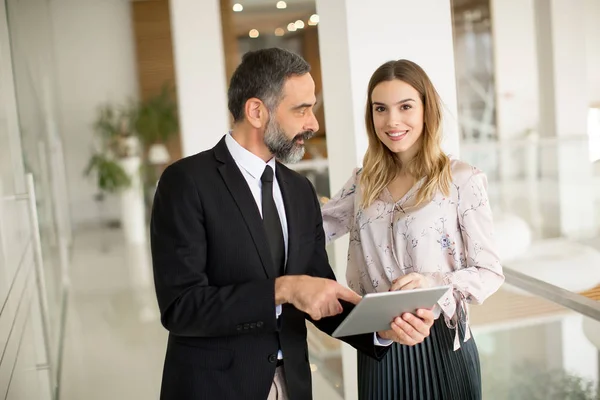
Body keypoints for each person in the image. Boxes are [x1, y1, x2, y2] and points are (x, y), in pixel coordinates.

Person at [150, 48, 435, 400]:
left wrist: (382, 330)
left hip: (293, 385)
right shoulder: (186, 183)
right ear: (256, 111)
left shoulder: (300, 190)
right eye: (301, 109)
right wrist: (282, 289)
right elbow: (182, 307)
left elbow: (318, 291)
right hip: (215, 387)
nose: (313, 123)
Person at [321, 59, 505, 400]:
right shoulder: (364, 183)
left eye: (405, 106)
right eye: (380, 109)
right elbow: (315, 229)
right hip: (380, 344)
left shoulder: (462, 180)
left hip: (442, 345)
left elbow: (490, 271)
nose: (392, 121)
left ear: (426, 110)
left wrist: (433, 284)